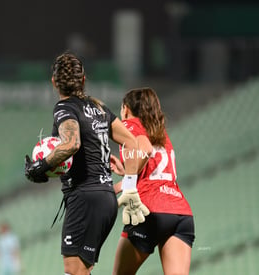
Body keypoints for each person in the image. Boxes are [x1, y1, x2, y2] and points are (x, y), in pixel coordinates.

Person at [25, 53, 149, 275]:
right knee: (82, 271)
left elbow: (72, 143)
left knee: (74, 272)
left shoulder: (64, 108)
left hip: (84, 198)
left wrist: (41, 166)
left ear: (54, 82)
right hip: (105, 199)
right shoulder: (100, 109)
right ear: (83, 80)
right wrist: (128, 181)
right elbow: (132, 142)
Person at [110, 88, 195, 275]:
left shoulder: (130, 125)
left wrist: (127, 182)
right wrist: (124, 177)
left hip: (151, 210)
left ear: (125, 109)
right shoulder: (160, 133)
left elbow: (146, 150)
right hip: (180, 214)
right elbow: (154, 172)